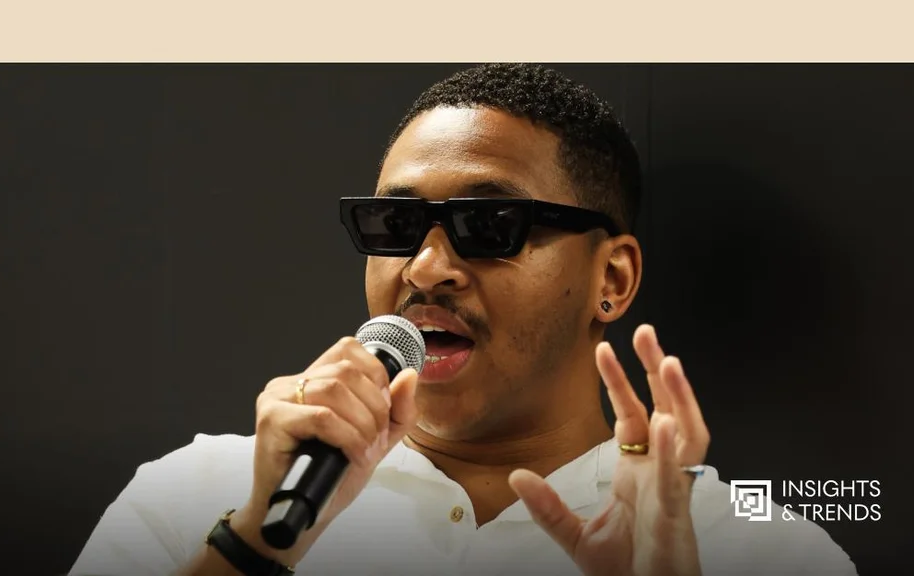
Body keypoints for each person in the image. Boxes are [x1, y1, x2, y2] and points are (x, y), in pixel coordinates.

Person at [68, 63, 857, 576]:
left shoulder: (758, 548)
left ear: (610, 279)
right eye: (394, 225)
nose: (424, 268)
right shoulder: (198, 493)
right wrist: (254, 545)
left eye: (488, 225)